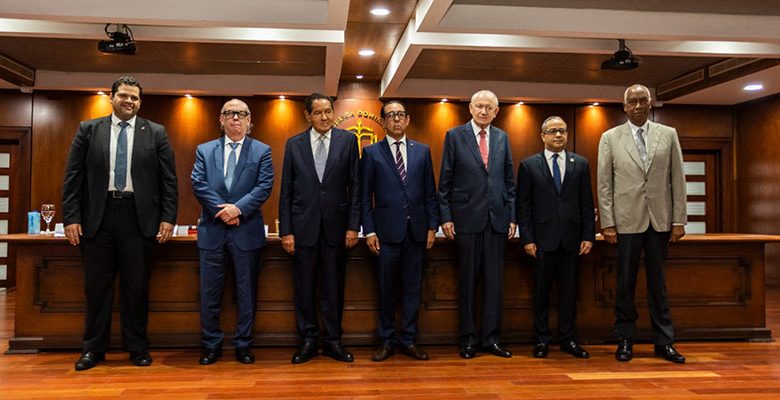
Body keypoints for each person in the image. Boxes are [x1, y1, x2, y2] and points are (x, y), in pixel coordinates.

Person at [62, 75, 178, 371]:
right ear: (111, 97)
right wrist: (71, 217)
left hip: (138, 218)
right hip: (97, 218)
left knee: (136, 287)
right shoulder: (89, 130)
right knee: (96, 288)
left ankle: (137, 347)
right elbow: (73, 177)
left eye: (134, 98)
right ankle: (93, 349)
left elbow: (169, 180)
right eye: (124, 95)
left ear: (140, 102)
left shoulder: (156, 132)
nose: (129, 101)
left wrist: (168, 217)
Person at [597, 84, 687, 364]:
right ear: (624, 107)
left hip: (659, 221)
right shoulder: (610, 138)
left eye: (642, 100)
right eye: (632, 101)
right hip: (626, 222)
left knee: (658, 285)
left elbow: (677, 178)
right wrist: (608, 223)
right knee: (625, 283)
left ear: (651, 104)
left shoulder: (668, 134)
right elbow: (604, 184)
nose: (638, 105)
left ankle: (665, 341)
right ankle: (625, 339)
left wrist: (679, 219)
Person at [191, 99, 274, 365]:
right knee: (210, 294)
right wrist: (224, 211)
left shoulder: (262, 151)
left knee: (246, 293)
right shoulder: (205, 150)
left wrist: (238, 209)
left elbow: (264, 186)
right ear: (221, 119)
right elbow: (198, 184)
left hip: (246, 232)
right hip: (213, 232)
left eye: (241, 114)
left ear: (250, 121)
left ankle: (243, 344)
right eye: (229, 113)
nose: (235, 118)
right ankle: (211, 345)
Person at [279, 93, 360, 363]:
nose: (325, 117)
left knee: (333, 288)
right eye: (318, 112)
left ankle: (333, 340)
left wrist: (353, 226)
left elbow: (356, 187)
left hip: (337, 229)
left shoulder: (348, 141)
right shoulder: (294, 144)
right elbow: (286, 191)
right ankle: (309, 340)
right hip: (303, 229)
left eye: (328, 111)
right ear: (308, 115)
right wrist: (286, 231)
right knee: (304, 289)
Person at [438, 89, 516, 359]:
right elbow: (445, 181)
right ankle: (468, 339)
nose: (484, 111)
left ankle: (492, 339)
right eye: (479, 106)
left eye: (489, 107)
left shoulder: (502, 137)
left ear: (496, 112)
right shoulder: (454, 136)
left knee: (494, 285)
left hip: (497, 220)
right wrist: (446, 216)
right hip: (465, 219)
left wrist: (512, 216)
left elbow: (509, 181)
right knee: (468, 283)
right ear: (470, 108)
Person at [361, 100, 439, 362]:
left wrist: (432, 226)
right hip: (385, 235)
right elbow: (365, 197)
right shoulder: (371, 153)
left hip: (416, 233)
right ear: (383, 121)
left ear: (407, 120)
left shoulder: (422, 151)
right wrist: (369, 231)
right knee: (386, 290)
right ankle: (386, 341)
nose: (396, 119)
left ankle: (408, 339)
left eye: (400, 115)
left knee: (412, 289)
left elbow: (430, 193)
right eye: (391, 115)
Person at [516, 116, 594, 359]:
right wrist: (527, 238)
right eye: (552, 131)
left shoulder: (580, 164)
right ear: (543, 136)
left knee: (569, 293)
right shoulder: (529, 165)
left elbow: (586, 202)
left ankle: (568, 339)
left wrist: (588, 235)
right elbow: (523, 206)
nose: (558, 135)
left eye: (562, 130)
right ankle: (542, 339)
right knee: (541, 293)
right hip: (541, 241)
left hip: (572, 240)